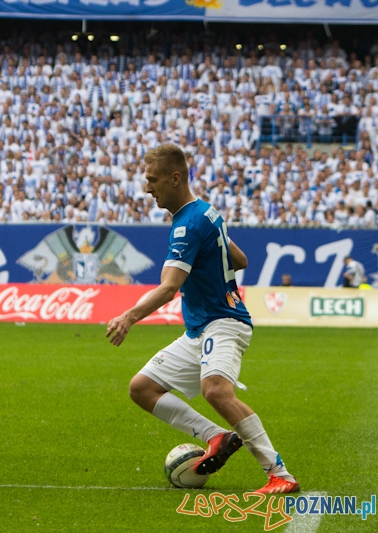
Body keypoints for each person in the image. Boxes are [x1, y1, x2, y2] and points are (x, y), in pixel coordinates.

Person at [106, 144, 298, 495]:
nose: (147, 188)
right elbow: (239, 259)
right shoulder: (206, 214)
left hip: (223, 321)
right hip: (201, 327)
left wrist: (128, 316)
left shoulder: (187, 226)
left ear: (175, 178)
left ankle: (280, 475)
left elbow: (168, 288)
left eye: (153, 179)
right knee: (142, 388)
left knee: (215, 390)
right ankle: (215, 436)